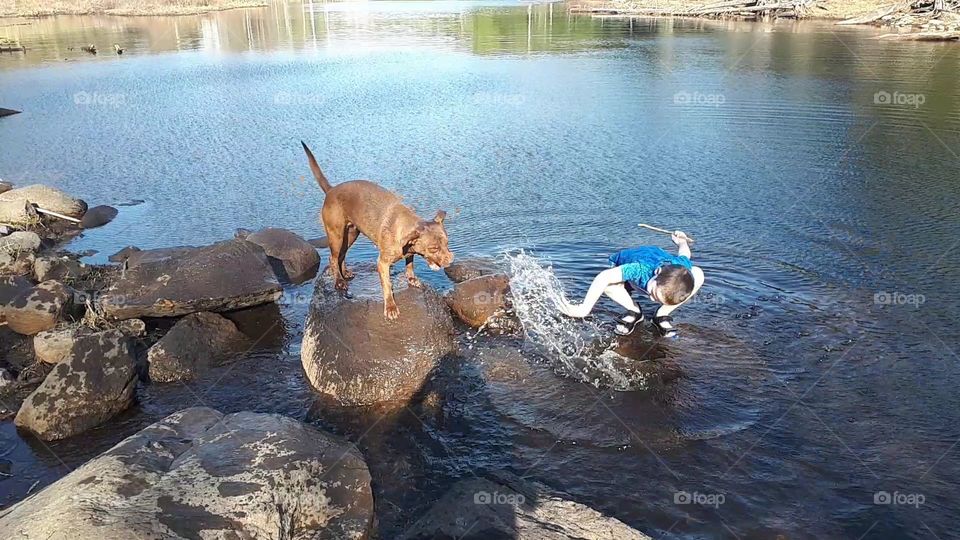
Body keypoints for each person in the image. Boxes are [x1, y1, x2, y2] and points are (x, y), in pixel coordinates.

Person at [558, 231, 704, 338]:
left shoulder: (681, 267)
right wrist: (584, 309)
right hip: (627, 262)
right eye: (654, 294)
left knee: (698, 274)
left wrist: (682, 242)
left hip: (658, 260)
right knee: (608, 284)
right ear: (657, 273)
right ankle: (634, 310)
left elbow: (685, 255)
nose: (652, 300)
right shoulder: (639, 269)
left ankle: (661, 314)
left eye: (659, 300)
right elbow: (603, 277)